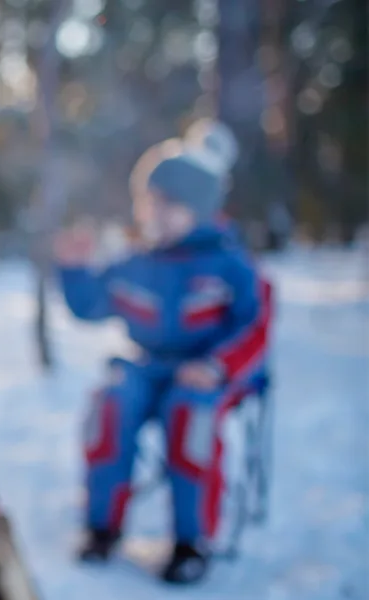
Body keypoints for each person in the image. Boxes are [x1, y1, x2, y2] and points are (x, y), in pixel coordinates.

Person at [53, 146, 267, 585]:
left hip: (206, 373)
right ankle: (102, 527)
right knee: (112, 403)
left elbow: (255, 327)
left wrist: (218, 365)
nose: (155, 213)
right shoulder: (138, 262)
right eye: (149, 201)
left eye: (169, 203)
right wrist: (74, 270)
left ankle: (191, 542)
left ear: (200, 210)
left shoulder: (228, 264)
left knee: (190, 414)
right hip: (148, 367)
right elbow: (92, 304)